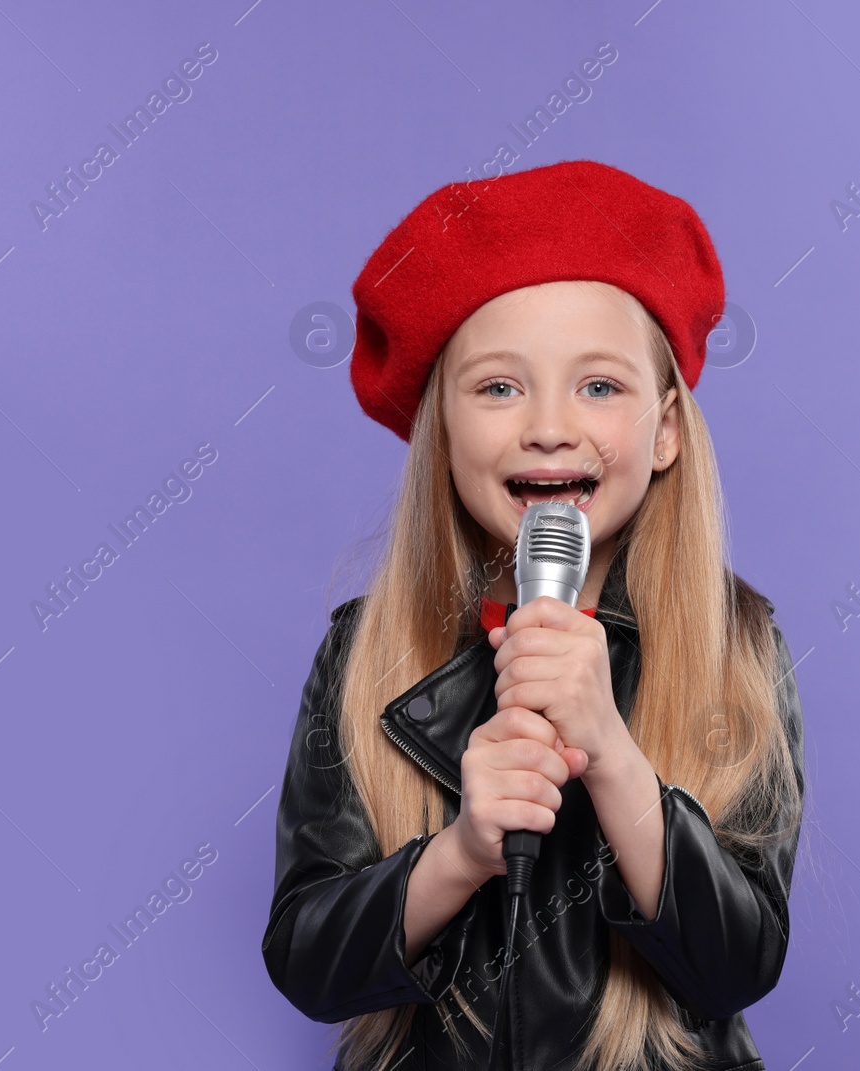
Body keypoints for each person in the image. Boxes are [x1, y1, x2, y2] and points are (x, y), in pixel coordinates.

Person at [263, 159, 807, 1071]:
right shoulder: (365, 653)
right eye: (499, 387)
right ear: (442, 425)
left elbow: (736, 966)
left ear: (667, 428)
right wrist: (463, 851)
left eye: (599, 386)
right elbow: (310, 962)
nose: (549, 426)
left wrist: (614, 755)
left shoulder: (735, 646)